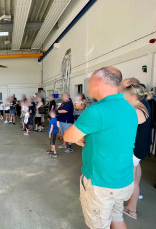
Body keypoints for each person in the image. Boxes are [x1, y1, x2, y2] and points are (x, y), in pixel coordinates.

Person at [64, 66, 138, 229]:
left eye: (90, 81)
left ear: (98, 81)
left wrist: (79, 139)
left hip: (101, 183)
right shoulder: (129, 108)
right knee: (117, 219)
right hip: (124, 179)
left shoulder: (96, 111)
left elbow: (68, 136)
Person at [122, 84, 152, 220]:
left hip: (135, 150)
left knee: (132, 181)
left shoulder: (136, 111)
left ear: (132, 96)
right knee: (135, 174)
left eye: (125, 95)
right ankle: (130, 205)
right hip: (140, 148)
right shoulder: (143, 104)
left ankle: (131, 209)